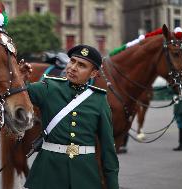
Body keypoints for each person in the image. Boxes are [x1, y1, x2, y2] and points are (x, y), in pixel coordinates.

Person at [20, 45, 119, 189]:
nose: (73, 67)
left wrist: (112, 184)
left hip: (85, 175)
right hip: (48, 173)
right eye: (72, 61)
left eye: (81, 65)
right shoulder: (48, 88)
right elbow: (12, 95)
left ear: (93, 73)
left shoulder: (99, 100)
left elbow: (108, 148)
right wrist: (19, 80)